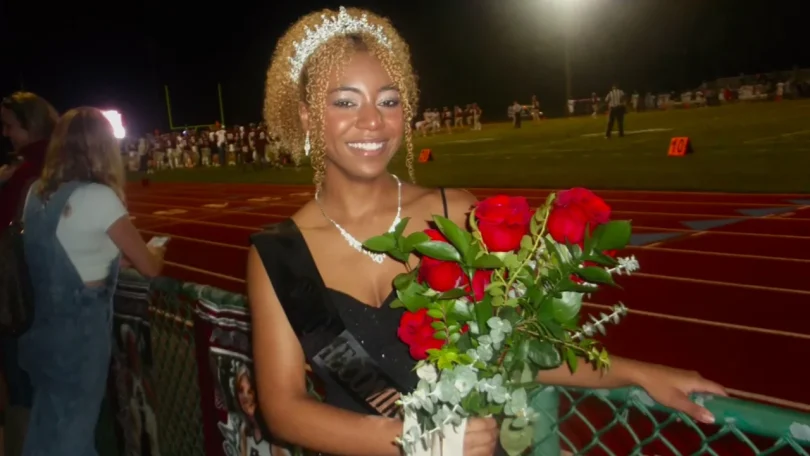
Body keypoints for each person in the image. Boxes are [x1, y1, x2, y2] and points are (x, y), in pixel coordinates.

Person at [246, 7, 725, 456]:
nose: (372, 120)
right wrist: (416, 440)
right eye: (345, 102)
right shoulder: (278, 253)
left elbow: (518, 345)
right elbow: (284, 409)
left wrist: (637, 373)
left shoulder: (454, 215)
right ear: (308, 117)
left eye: (388, 101)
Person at [19, 107, 166, 456]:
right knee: (75, 433)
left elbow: (74, 247)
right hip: (81, 337)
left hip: (41, 330)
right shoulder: (99, 198)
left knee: (46, 426)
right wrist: (158, 249)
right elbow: (149, 267)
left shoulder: (36, 194)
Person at [0, 91, 59, 456]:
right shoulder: (62, 166)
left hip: (22, 301)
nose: (5, 134)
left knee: (24, 393)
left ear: (29, 125)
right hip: (57, 300)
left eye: (9, 126)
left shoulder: (26, 173)